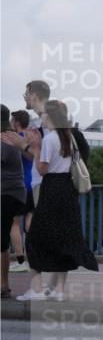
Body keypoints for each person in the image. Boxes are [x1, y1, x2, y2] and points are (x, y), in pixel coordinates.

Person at [4, 100, 98, 301]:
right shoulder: (68, 137)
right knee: (63, 239)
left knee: (35, 238)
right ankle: (59, 291)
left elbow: (42, 169)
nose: (42, 118)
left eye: (44, 115)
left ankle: (37, 289)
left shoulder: (50, 140)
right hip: (67, 190)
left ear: (51, 117)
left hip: (52, 188)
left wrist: (30, 147)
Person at [1, 105, 27, 299]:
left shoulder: (4, 139)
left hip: (7, 194)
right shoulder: (9, 137)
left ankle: (4, 284)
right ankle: (4, 284)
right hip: (14, 193)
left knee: (2, 241)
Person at [8, 109, 33, 272]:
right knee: (30, 220)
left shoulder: (17, 139)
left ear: (16, 122)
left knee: (14, 223)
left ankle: (20, 260)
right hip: (33, 183)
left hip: (19, 185)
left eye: (11, 121)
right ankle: (36, 257)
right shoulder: (32, 136)